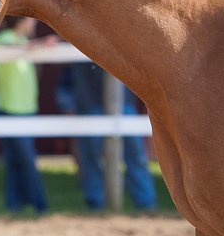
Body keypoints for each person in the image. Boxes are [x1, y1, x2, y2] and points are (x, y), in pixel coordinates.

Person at [55, 63, 158, 211]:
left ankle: (146, 204)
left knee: (135, 155)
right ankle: (96, 203)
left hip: (121, 101)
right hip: (90, 100)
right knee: (92, 156)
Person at [0, 16, 56, 214]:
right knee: (24, 160)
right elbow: (10, 50)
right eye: (30, 20)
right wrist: (38, 44)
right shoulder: (6, 38)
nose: (34, 23)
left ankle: (15, 204)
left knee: (16, 160)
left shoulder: (23, 42)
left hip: (24, 109)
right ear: (20, 22)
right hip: (11, 110)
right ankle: (39, 205)